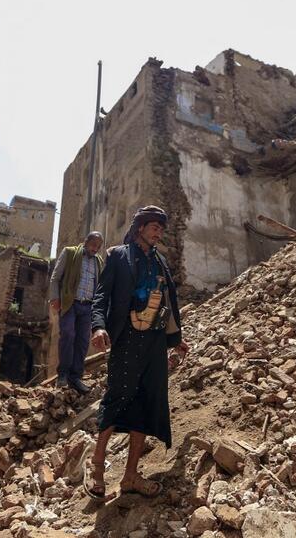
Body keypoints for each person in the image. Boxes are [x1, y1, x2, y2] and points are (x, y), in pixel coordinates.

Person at [84, 206, 189, 501]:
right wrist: (98, 326)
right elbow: (102, 295)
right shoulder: (119, 255)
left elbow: (169, 302)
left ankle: (130, 476)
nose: (158, 231)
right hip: (127, 338)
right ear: (140, 228)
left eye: (161, 227)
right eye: (154, 226)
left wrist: (175, 338)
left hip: (154, 341)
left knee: (145, 402)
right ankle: (96, 468)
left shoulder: (161, 263)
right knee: (118, 396)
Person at [49, 231, 104, 394]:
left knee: (82, 341)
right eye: (93, 244)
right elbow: (55, 277)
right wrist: (55, 298)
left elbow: (100, 285)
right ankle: (63, 375)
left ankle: (76, 377)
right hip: (70, 303)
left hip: (88, 306)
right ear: (86, 242)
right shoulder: (70, 252)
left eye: (98, 246)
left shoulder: (98, 262)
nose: (95, 248)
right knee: (68, 334)